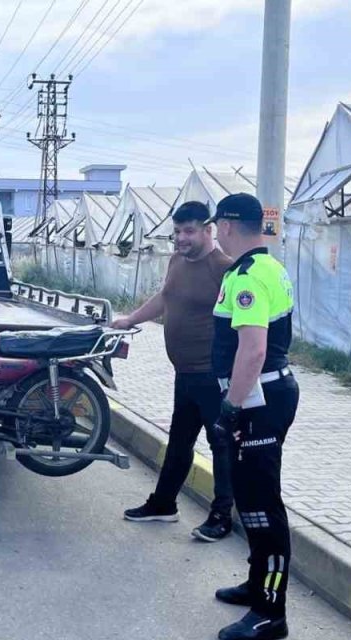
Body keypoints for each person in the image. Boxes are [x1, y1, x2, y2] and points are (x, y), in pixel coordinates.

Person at [111, 200, 237, 542]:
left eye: (189, 231)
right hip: (184, 373)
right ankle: (164, 504)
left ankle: (222, 515)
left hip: (212, 375)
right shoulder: (176, 260)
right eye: (178, 231)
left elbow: (242, 324)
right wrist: (130, 319)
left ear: (208, 230)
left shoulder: (223, 268)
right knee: (180, 441)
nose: (181, 238)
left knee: (221, 445)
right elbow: (165, 298)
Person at [207, 193, 298, 640]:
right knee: (250, 502)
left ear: (226, 225)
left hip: (259, 401)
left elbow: (253, 349)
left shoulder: (249, 275)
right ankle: (256, 583)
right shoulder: (268, 266)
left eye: (214, 225)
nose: (214, 232)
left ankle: (271, 612)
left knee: (263, 506)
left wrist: (229, 408)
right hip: (263, 396)